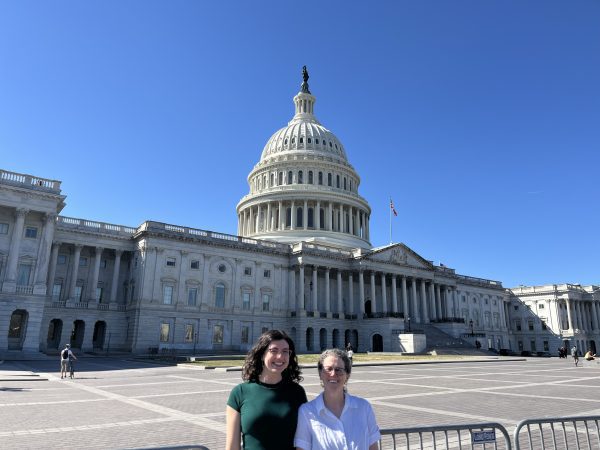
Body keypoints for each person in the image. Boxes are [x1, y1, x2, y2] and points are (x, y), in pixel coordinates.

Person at [226, 330, 307, 450]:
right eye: (274, 351)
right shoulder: (240, 393)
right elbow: (232, 446)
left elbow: (303, 441)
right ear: (262, 354)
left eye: (285, 351)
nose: (280, 356)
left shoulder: (297, 392)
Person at [295, 348, 381, 450]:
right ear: (320, 374)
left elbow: (373, 447)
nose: (333, 374)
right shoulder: (307, 412)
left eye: (339, 370)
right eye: (328, 369)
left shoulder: (364, 407)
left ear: (347, 375)